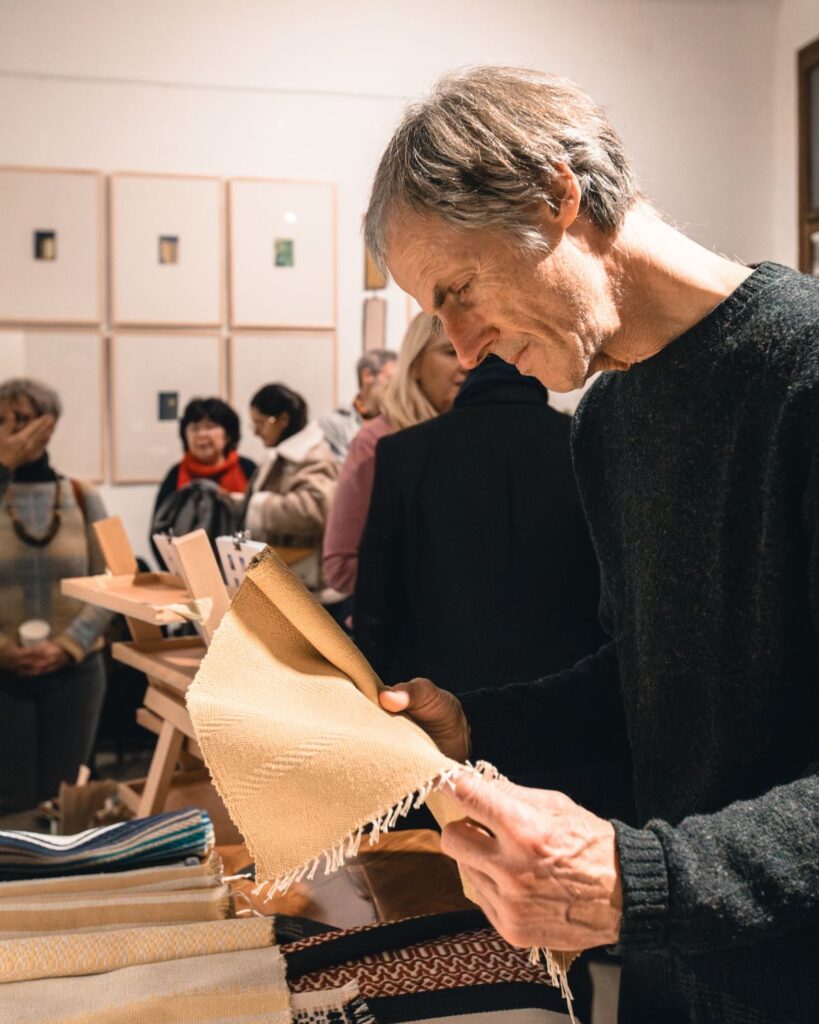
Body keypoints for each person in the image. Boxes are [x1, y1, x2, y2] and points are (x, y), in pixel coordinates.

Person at [364, 66, 819, 1023]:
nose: (467, 348)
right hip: (674, 980)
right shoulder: (609, 419)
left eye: (461, 290)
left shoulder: (803, 377)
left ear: (555, 195)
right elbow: (649, 684)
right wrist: (478, 729)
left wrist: (646, 878)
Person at [355, 355, 606, 696]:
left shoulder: (405, 453)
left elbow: (377, 597)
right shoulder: (587, 447)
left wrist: (375, 689)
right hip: (568, 692)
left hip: (437, 692)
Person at [0, 379, 112, 811]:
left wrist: (68, 646)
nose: (12, 432)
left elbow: (110, 583)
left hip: (76, 673)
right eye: (1, 421)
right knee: (10, 803)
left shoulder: (82, 497)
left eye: (23, 420)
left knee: (64, 800)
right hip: (4, 675)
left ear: (49, 426)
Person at [322, 313, 465, 597]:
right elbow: (340, 565)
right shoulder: (377, 441)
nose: (467, 366)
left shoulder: (475, 434)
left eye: (479, 355)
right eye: (451, 352)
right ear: (415, 364)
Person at [241, 383, 340, 591]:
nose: (257, 432)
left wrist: (259, 506)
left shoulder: (312, 456)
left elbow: (314, 509)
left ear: (283, 420)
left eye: (260, 423)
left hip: (308, 582)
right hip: (290, 575)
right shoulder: (284, 456)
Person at [150, 397, 255, 564]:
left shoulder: (247, 469)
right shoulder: (176, 474)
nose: (201, 434)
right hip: (187, 570)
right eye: (194, 428)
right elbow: (158, 531)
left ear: (228, 434)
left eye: (210, 427)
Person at [320, 349, 397, 462]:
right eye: (391, 379)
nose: (398, 387)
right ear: (367, 375)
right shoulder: (333, 423)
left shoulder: (399, 422)